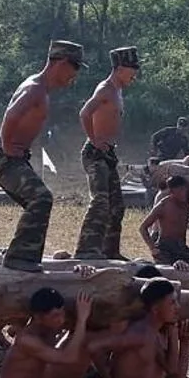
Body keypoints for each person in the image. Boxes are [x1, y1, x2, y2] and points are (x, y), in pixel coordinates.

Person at [0, 41, 85, 271]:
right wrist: (8, 146)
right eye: (75, 67)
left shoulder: (39, 87)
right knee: (41, 199)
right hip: (6, 158)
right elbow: (11, 115)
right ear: (60, 63)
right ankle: (19, 258)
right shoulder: (35, 89)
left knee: (37, 202)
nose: (75, 75)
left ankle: (19, 250)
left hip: (14, 157)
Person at [75, 47, 139, 260]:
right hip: (95, 153)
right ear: (120, 69)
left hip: (108, 153)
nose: (134, 75)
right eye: (132, 70)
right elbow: (85, 113)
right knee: (101, 201)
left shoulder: (118, 90)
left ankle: (110, 250)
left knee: (117, 205)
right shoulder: (105, 89)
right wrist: (94, 140)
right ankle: (86, 250)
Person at [138, 175, 189, 266]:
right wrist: (153, 249)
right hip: (165, 247)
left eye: (185, 190)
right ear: (172, 192)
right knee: (172, 271)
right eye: (180, 190)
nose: (183, 193)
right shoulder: (164, 205)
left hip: (182, 247)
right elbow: (142, 228)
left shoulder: (187, 202)